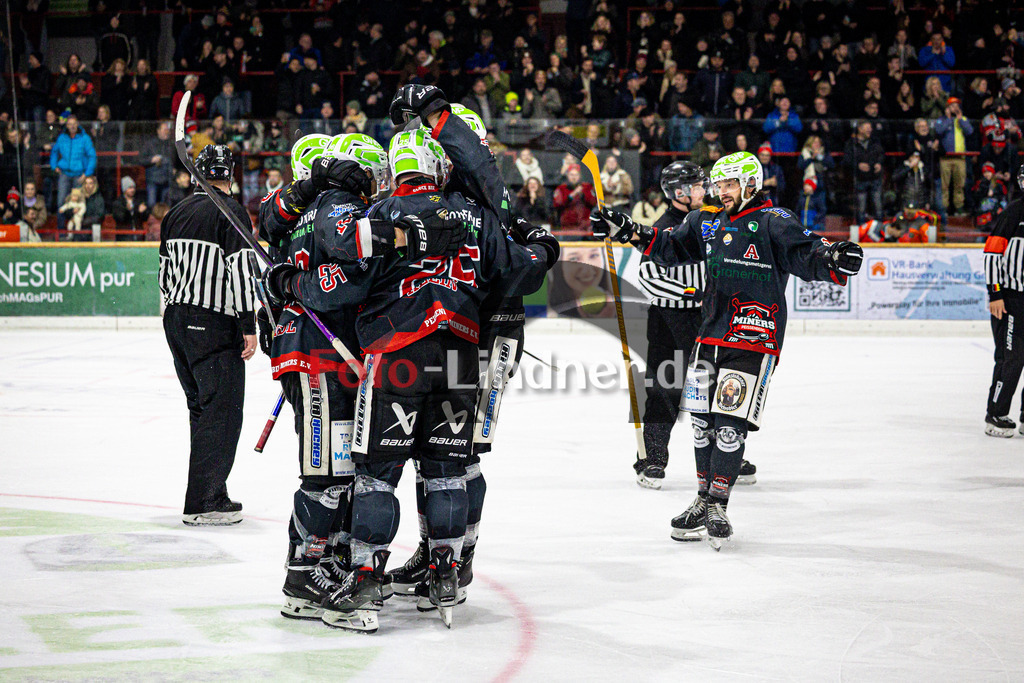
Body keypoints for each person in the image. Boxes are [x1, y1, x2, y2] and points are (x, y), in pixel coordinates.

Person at [590, 151, 863, 548]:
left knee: (730, 426)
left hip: (755, 336)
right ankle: (702, 499)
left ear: (751, 183)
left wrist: (834, 257)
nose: (722, 192)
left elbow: (808, 253)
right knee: (701, 424)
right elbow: (668, 247)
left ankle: (718, 503)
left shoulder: (774, 221)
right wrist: (627, 228)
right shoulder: (707, 221)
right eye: (718, 185)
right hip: (709, 336)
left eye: (730, 184)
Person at [257, 133, 388, 623]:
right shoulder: (334, 208)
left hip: (316, 350)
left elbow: (272, 224)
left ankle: (326, 558)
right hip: (318, 352)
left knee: (340, 471)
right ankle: (302, 572)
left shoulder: (297, 209)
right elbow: (338, 283)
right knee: (327, 474)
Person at [633, 160, 758, 490]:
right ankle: (652, 457)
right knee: (665, 388)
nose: (708, 191)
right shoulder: (664, 226)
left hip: (706, 319)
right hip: (668, 319)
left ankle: (725, 455)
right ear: (679, 192)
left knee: (716, 387)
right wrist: (692, 293)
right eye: (700, 186)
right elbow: (648, 277)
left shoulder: (712, 221)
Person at [159, 145, 258, 526]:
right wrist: (248, 326)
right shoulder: (231, 212)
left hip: (177, 321)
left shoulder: (175, 212)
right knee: (223, 410)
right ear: (229, 175)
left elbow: (164, 273)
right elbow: (240, 272)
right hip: (213, 322)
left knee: (201, 409)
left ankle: (207, 491)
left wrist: (176, 315)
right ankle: (205, 500)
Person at [983, 170, 1024, 436]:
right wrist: (995, 294)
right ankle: (996, 415)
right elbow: (991, 254)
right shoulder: (1014, 212)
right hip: (1012, 299)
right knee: (1012, 359)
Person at [934, 97, 974, 215]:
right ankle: (944, 209)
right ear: (947, 107)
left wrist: (960, 119)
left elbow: (969, 131)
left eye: (956, 105)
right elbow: (939, 130)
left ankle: (959, 208)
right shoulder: (941, 120)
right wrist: (948, 119)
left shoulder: (963, 119)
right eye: (952, 106)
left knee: (960, 184)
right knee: (944, 185)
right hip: (945, 158)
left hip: (960, 158)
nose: (955, 108)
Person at [50, 116, 96, 211]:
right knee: (61, 202)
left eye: (74, 124)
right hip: (64, 173)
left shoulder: (85, 138)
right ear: (66, 126)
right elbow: (54, 152)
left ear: (78, 124)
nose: (72, 126)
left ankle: (77, 226)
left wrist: (87, 173)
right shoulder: (62, 137)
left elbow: (92, 156)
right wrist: (54, 166)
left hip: (79, 175)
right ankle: (61, 226)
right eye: (70, 124)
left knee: (78, 204)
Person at [843, 120, 885, 223]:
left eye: (870, 128)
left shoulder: (875, 141)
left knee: (878, 208)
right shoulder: (851, 143)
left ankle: (880, 232)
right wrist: (857, 165)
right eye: (867, 128)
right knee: (861, 209)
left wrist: (879, 163)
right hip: (861, 179)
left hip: (875, 178)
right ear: (860, 129)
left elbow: (881, 154)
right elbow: (847, 160)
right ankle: (861, 233)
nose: (870, 130)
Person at [552, 163, 597, 236]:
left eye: (576, 175)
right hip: (566, 228)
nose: (574, 177)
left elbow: (593, 202)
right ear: (567, 176)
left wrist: (583, 195)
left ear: (580, 176)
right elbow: (557, 204)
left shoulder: (587, 187)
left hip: (585, 228)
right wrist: (572, 195)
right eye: (571, 175)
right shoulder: (561, 188)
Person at [112, 176, 150, 241]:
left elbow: (145, 218)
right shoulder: (118, 203)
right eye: (130, 188)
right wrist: (127, 210)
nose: (132, 190)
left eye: (133, 187)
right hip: (124, 237)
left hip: (138, 236)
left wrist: (142, 212)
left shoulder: (139, 201)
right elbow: (120, 218)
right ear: (124, 189)